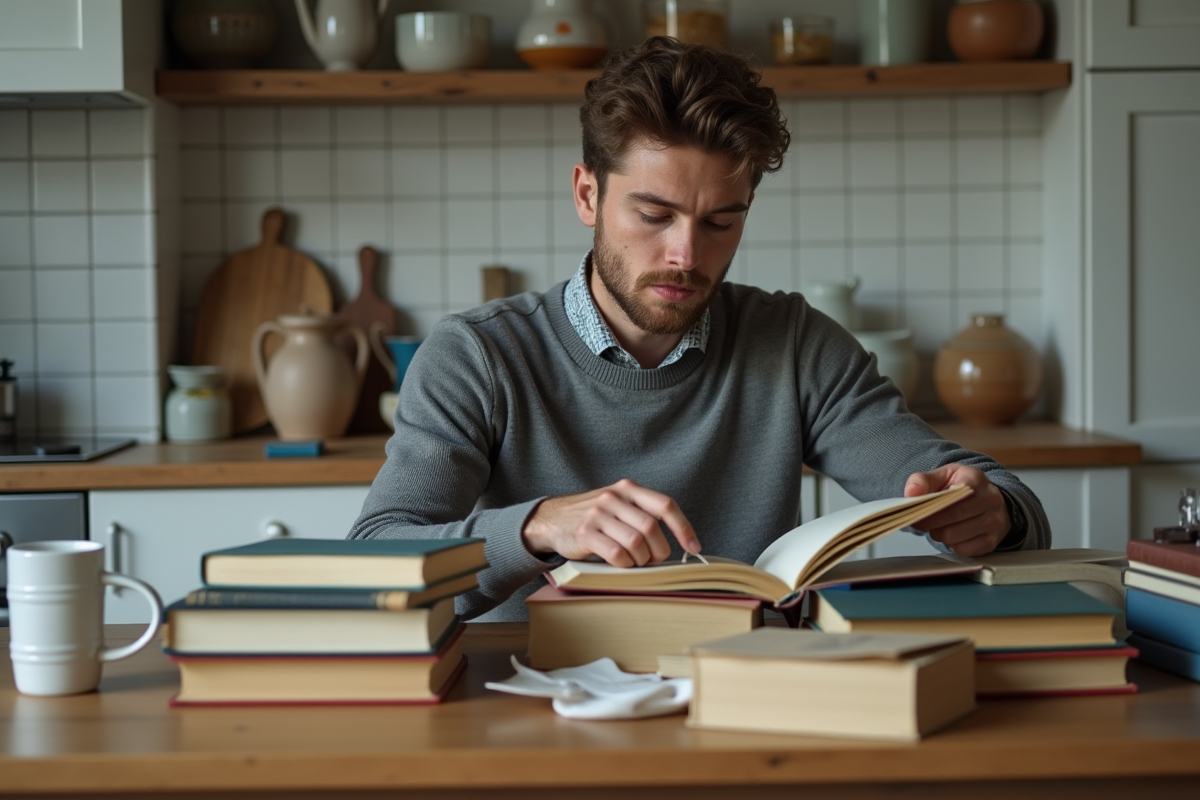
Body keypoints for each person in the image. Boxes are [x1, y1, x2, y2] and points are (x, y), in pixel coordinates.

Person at [349, 37, 1050, 622]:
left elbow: (991, 492)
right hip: (536, 695)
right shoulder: (478, 354)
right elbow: (374, 557)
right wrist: (537, 528)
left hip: (749, 691)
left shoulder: (796, 344)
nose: (686, 256)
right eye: (653, 216)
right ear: (587, 195)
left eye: (721, 221)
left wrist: (994, 515)